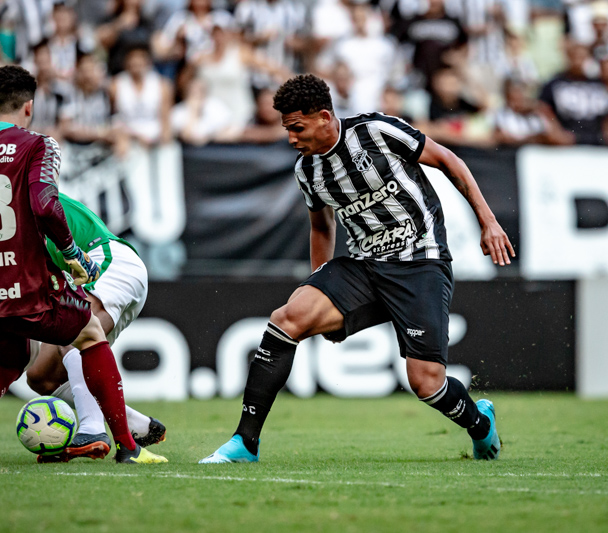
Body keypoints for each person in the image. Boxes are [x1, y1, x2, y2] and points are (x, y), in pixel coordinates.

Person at [200, 74, 513, 464]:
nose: (291, 138)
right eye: (287, 130)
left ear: (325, 117)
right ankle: (245, 443)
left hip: (420, 262)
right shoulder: (308, 171)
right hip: (364, 267)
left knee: (425, 382)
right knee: (287, 318)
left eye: (297, 128)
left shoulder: (377, 131)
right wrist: (320, 287)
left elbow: (449, 161)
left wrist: (489, 221)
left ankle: (480, 424)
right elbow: (321, 224)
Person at [0, 64, 166, 465]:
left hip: (106, 260)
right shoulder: (34, 157)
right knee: (46, 369)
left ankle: (87, 431)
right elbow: (38, 189)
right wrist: (71, 255)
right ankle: (122, 432)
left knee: (54, 342)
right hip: (68, 259)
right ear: (30, 107)